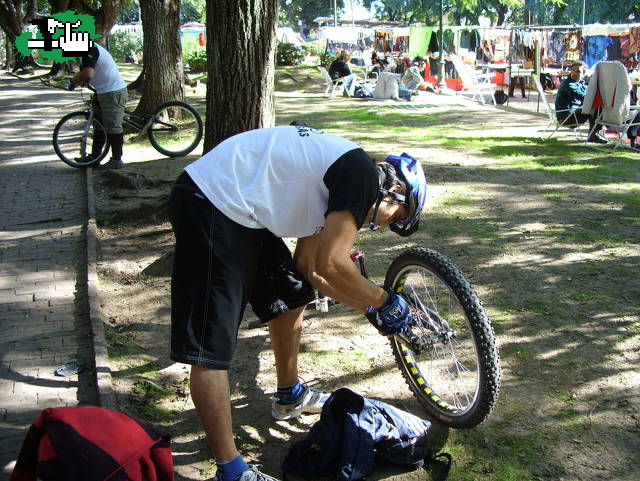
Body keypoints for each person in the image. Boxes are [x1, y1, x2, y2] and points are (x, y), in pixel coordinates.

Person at [168, 124, 428, 481]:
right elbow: (333, 264)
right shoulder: (361, 177)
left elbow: (311, 269)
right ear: (395, 192)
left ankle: (289, 395)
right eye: (394, 218)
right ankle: (231, 471)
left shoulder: (339, 183)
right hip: (212, 200)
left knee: (290, 294)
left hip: (243, 208)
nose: (382, 226)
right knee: (211, 345)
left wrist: (369, 308)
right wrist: (385, 301)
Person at [70, 43, 128, 169]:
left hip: (112, 91)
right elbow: (88, 71)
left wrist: (73, 81)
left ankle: (117, 160)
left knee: (113, 126)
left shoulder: (90, 49)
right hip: (102, 91)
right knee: (99, 124)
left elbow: (88, 72)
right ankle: (95, 158)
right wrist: (80, 81)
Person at [554, 61, 608, 144]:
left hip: (573, 115)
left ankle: (596, 133)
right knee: (596, 106)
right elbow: (585, 98)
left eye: (578, 71)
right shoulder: (568, 84)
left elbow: (589, 95)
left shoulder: (581, 83)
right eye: (573, 70)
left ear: (584, 73)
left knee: (597, 106)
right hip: (565, 118)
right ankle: (594, 135)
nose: (574, 73)